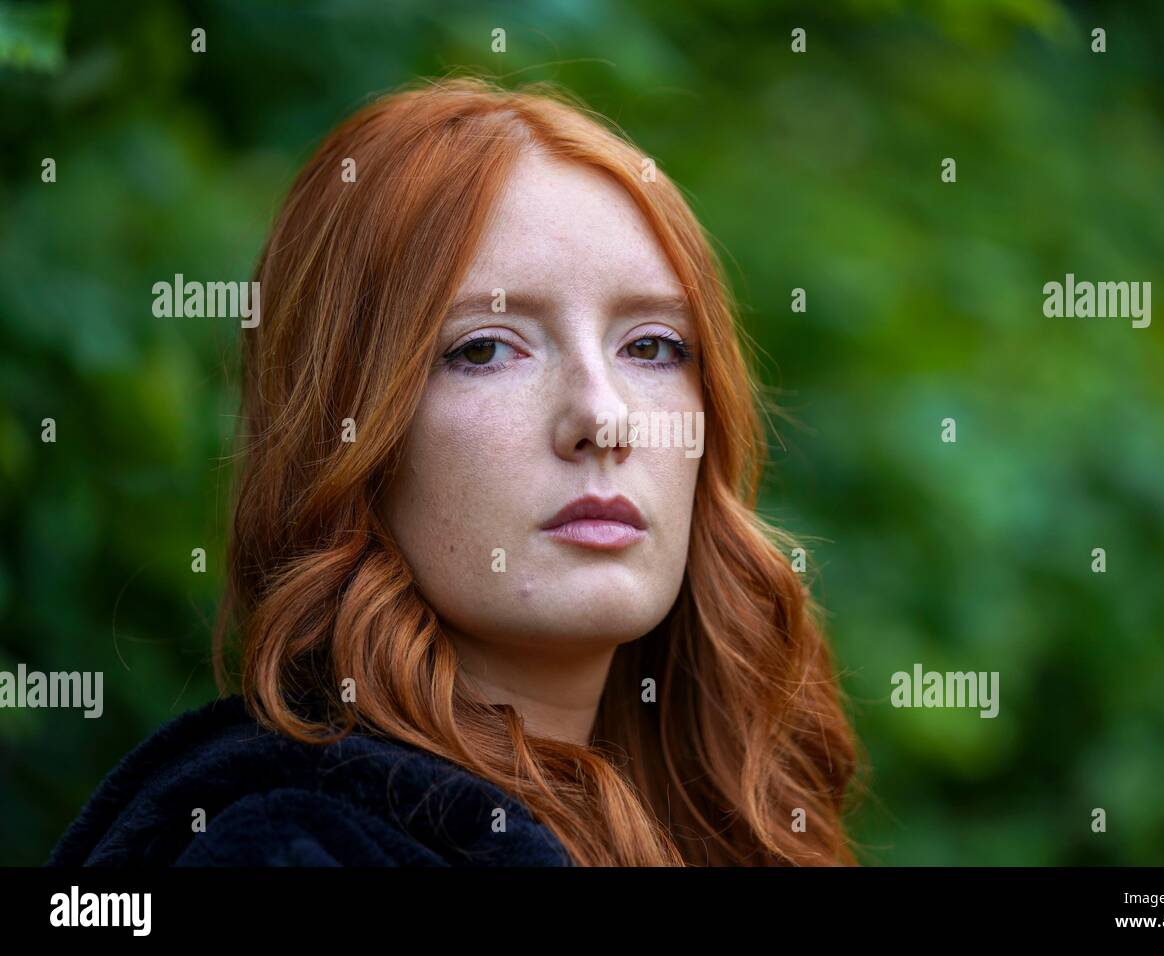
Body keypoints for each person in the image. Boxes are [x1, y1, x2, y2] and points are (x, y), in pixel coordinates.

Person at [48, 76, 865, 867]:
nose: (604, 418)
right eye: (485, 349)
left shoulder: (726, 827)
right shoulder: (285, 847)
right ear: (350, 431)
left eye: (651, 345)